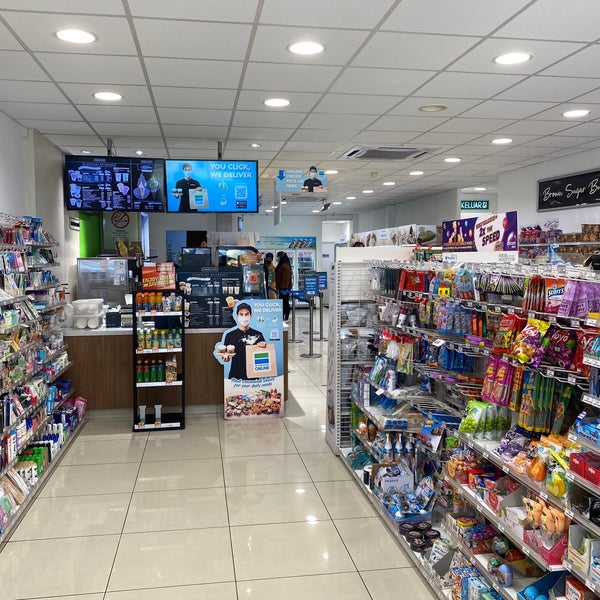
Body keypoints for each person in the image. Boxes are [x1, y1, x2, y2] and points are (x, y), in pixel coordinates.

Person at [220, 303, 266, 380]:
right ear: (237, 316)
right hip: (235, 376)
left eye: (246, 314)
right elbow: (226, 356)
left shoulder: (258, 335)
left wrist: (264, 348)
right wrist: (225, 358)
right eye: (241, 314)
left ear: (251, 315)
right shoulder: (230, 335)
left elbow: (263, 358)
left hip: (253, 377)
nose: (244, 317)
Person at [275, 251, 293, 321]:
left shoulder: (285, 266)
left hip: (284, 288)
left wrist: (283, 288)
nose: (277, 258)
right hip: (281, 288)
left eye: (277, 256)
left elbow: (285, 278)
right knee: (282, 303)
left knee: (284, 303)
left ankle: (286, 317)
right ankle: (282, 316)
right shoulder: (282, 265)